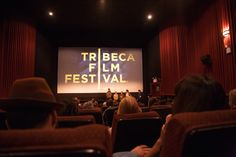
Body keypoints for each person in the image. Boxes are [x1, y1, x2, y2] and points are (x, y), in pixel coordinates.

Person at [146, 74, 228, 157]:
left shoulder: (179, 131)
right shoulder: (227, 134)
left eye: (176, 98)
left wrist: (162, 140)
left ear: (184, 104)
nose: (173, 103)